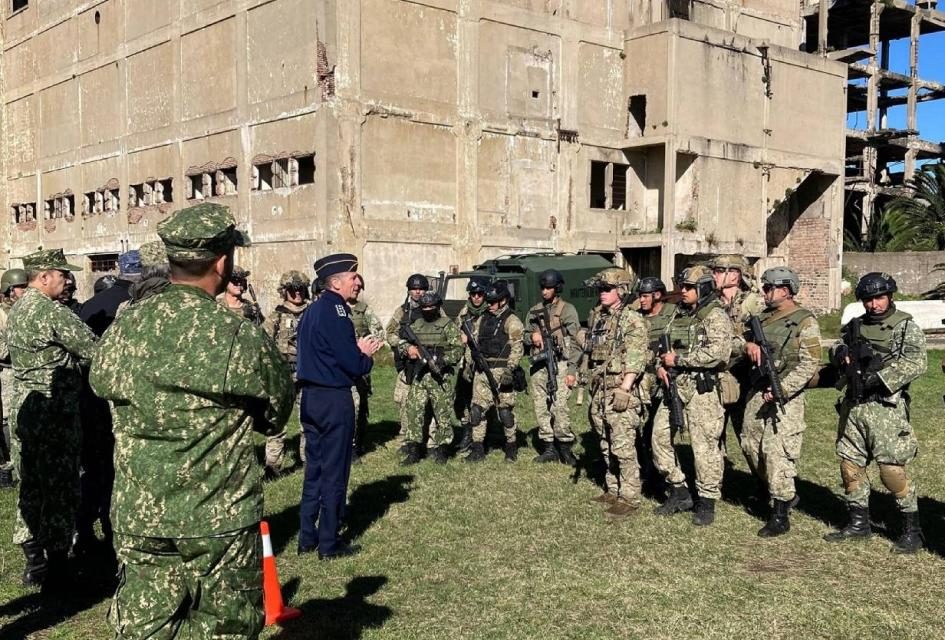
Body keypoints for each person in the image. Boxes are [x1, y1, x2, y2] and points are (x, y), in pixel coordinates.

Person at [90, 203, 294, 637]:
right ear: (222, 262)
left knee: (144, 629)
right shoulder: (236, 333)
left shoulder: (123, 329)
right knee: (224, 629)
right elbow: (276, 413)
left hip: (138, 513)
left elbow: (100, 385)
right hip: (216, 519)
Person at [8, 249, 97, 588]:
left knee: (30, 483)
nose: (68, 280)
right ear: (43, 277)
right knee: (60, 485)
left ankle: (33, 561)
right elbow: (92, 348)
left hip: (25, 408)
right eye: (63, 274)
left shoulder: (18, 310)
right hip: (55, 411)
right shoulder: (51, 312)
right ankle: (58, 566)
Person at [824, 272, 927, 553]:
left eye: (879, 297)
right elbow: (836, 344)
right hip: (854, 406)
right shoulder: (855, 325)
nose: (874, 304)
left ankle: (912, 530)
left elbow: (916, 363)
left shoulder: (905, 326)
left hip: (886, 406)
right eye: (868, 299)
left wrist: (878, 379)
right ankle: (859, 523)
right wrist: (840, 351)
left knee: (891, 470)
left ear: (890, 296)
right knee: (850, 463)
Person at [297, 254, 382, 559]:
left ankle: (307, 537)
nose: (358, 282)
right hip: (334, 398)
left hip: (311, 397)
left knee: (315, 470)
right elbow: (352, 364)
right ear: (335, 283)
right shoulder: (338, 311)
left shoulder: (311, 311)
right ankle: (329, 543)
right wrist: (364, 355)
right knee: (335, 472)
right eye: (352, 277)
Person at [736, 267, 821, 537]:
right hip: (758, 391)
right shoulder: (761, 319)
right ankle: (768, 488)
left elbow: (810, 364)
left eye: (769, 288)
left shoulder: (805, 321)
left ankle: (781, 511)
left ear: (785, 290)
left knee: (778, 452)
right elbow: (737, 337)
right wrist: (746, 346)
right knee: (750, 445)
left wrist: (782, 389)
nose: (765, 292)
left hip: (786, 396)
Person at [653, 265, 733, 526]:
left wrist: (679, 359)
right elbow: (661, 345)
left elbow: (719, 353)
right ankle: (679, 491)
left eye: (689, 287)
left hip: (703, 391)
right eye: (682, 286)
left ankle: (707, 502)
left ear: (704, 288)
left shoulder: (716, 315)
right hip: (675, 386)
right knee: (659, 438)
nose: (683, 291)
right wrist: (660, 366)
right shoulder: (677, 313)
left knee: (705, 448)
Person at [584, 268, 650, 519]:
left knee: (623, 445)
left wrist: (625, 388)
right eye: (600, 289)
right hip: (600, 388)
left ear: (621, 291)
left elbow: (636, 355)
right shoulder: (599, 317)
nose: (602, 294)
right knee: (605, 441)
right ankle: (613, 488)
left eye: (607, 289)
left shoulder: (631, 319)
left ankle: (630, 496)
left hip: (620, 388)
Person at [399, 292, 463, 465]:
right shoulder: (416, 325)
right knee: (414, 411)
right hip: (420, 376)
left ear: (437, 307)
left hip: (439, 377)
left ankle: (443, 449)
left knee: (442, 414)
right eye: (424, 307)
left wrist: (442, 360)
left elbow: (458, 349)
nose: (427, 310)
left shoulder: (447, 325)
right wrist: (408, 350)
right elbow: (402, 342)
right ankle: (414, 450)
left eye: (431, 307)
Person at [465, 280, 524, 463]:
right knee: (476, 411)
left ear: (504, 300)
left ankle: (511, 446)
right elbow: (472, 344)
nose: (489, 305)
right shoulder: (482, 318)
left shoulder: (512, 321)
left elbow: (517, 347)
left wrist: (510, 369)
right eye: (488, 302)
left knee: (505, 413)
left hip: (502, 371)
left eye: (492, 302)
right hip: (482, 371)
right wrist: (469, 364)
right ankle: (477, 448)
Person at [710, 254, 765, 448]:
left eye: (717, 272)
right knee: (712, 437)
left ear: (734, 275)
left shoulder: (753, 303)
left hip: (745, 378)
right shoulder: (712, 303)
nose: (713, 276)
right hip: (717, 377)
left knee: (749, 438)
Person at [527, 269, 580, 465]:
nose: (544, 291)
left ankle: (564, 446)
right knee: (540, 406)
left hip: (560, 364)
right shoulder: (534, 311)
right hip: (539, 366)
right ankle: (548, 446)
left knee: (560, 406)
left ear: (557, 288)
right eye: (542, 287)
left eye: (548, 287)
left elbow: (576, 341)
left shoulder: (567, 310)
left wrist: (572, 371)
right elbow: (522, 335)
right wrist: (531, 336)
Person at [263, 269, 312, 476]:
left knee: (309, 419)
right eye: (293, 289)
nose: (298, 293)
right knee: (277, 422)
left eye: (301, 289)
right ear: (284, 291)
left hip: (308, 373)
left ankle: (308, 461)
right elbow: (263, 344)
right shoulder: (276, 316)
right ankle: (273, 465)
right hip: (282, 376)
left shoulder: (312, 312)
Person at [637, 276, 675, 487]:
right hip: (644, 379)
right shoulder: (637, 318)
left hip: (665, 379)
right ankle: (646, 469)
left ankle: (665, 475)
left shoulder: (672, 314)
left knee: (659, 431)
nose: (641, 300)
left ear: (657, 295)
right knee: (642, 427)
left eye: (645, 296)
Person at [386, 274, 430, 444]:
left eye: (421, 288)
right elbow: (390, 333)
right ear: (409, 290)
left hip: (427, 363)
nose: (418, 292)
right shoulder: (402, 311)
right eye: (414, 288)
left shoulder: (435, 309)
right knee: (403, 399)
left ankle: (427, 435)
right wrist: (405, 346)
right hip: (407, 364)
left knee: (427, 400)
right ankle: (406, 435)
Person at [348, 274, 385, 463]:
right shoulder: (335, 308)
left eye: (359, 287)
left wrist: (370, 345)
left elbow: (378, 331)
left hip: (360, 365)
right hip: (341, 365)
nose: (356, 289)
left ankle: (356, 445)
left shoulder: (364, 310)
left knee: (360, 407)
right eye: (354, 286)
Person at [454, 277, 489, 452]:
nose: (476, 297)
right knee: (461, 401)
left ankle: (480, 438)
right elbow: (455, 332)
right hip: (465, 364)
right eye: (473, 294)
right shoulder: (464, 312)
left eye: (479, 294)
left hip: (483, 363)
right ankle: (467, 432)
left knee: (480, 403)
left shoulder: (490, 312)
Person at [0, 268, 27, 489]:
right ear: (10, 290)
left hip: (26, 371)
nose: (25, 291)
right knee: (8, 421)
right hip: (8, 372)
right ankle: (8, 467)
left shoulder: (29, 311)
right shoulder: (2, 314)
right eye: (21, 287)